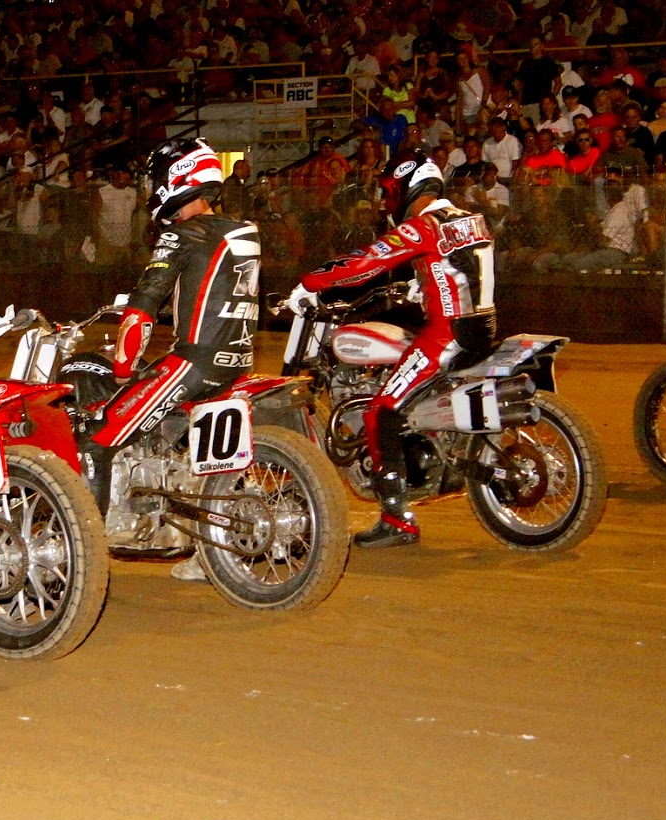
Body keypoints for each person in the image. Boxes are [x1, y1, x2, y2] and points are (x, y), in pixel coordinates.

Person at [283, 154, 497, 547]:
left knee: (380, 410)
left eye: (388, 192)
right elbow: (463, 267)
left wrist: (312, 282)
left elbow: (367, 264)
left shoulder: (424, 225)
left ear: (405, 188)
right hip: (484, 328)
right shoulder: (469, 218)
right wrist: (422, 284)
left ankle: (397, 519)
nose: (386, 201)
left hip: (447, 334)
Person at [74, 138, 261, 581]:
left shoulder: (180, 234)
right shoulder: (245, 231)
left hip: (195, 363)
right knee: (191, 450)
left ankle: (82, 556)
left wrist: (123, 370)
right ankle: (209, 551)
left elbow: (143, 310)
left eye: (159, 179)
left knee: (96, 437)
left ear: (177, 179)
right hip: (240, 362)